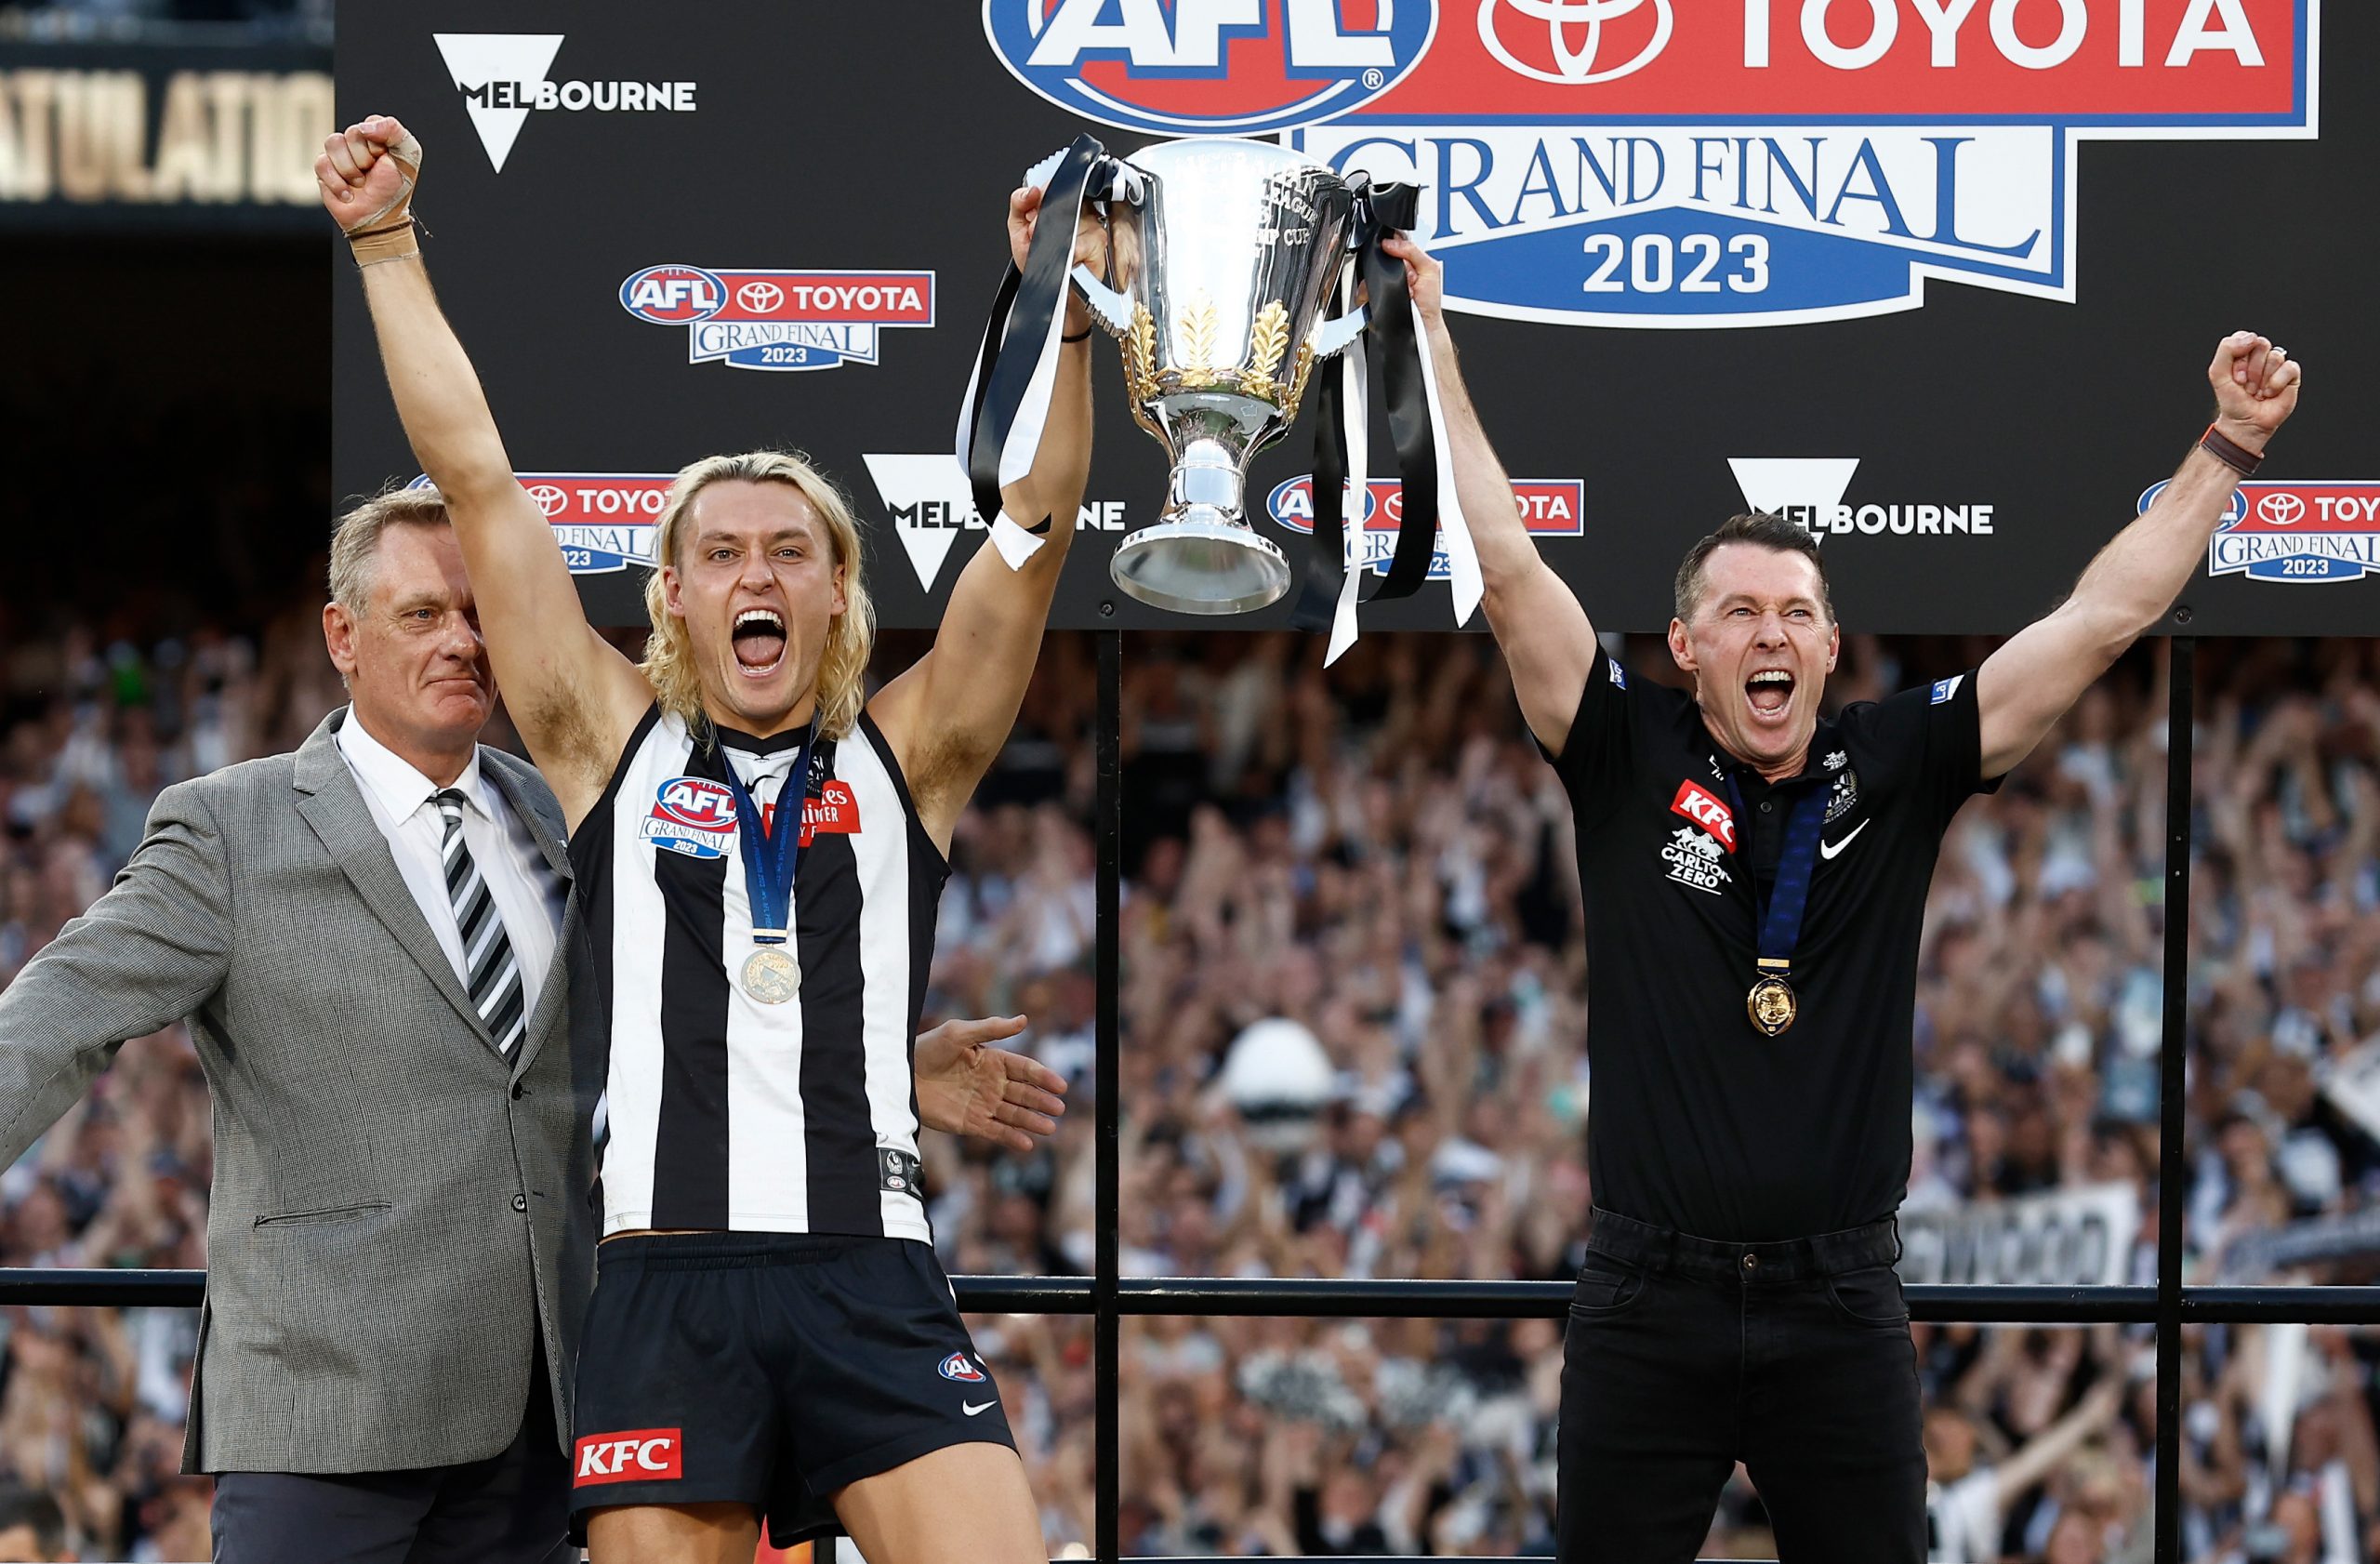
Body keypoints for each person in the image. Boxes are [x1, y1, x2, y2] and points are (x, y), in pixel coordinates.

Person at [1380, 226, 2303, 1563]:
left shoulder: (1902, 755)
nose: (1771, 635)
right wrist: (1435, 347)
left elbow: (2102, 617)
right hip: (1650, 1296)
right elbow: (1510, 559)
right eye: (1740, 613)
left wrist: (2225, 447)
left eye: (1796, 612)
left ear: (1829, 642)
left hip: (1841, 1300)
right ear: (1687, 647)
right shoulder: (1623, 748)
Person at [0, 482, 1064, 1563]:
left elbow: (688, 1009)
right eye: (421, 615)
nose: (461, 642)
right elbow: (58, 1014)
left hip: (537, 1420)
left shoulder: (577, 816)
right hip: (326, 1417)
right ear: (342, 634)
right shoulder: (232, 825)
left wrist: (884, 1060)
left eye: (475, 615)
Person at [323, 112, 1093, 1564]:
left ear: (837, 591)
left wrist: (1060, 297)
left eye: (790, 550)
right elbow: (478, 472)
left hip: (874, 1277)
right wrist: (381, 243)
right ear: (671, 595)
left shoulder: (907, 752)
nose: (758, 572)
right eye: (723, 552)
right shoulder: (602, 736)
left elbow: (1037, 526)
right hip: (664, 1284)